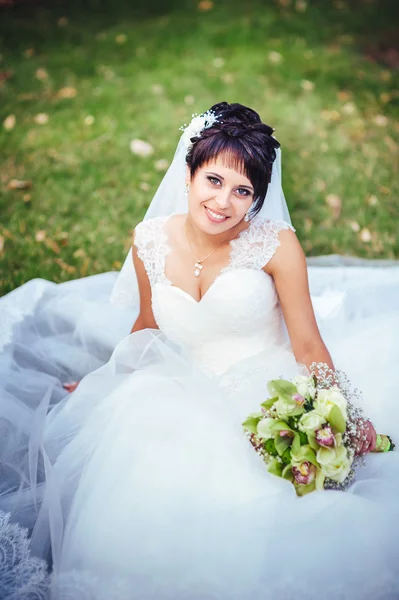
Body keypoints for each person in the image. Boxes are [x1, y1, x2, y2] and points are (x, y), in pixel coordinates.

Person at [0, 101, 399, 600]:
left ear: (257, 198)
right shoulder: (148, 240)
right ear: (188, 173)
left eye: (242, 191)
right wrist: (107, 375)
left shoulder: (277, 247)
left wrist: (339, 415)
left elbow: (308, 343)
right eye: (214, 180)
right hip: (182, 391)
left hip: (267, 391)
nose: (223, 202)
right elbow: (147, 324)